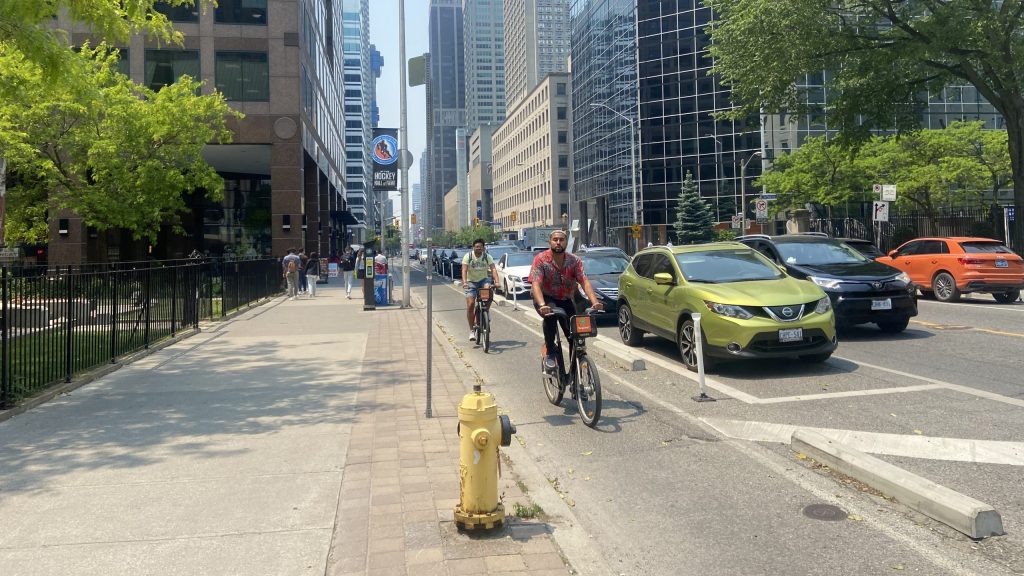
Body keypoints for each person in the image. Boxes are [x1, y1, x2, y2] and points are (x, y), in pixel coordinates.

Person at [529, 230, 604, 369]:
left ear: (566, 242)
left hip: (565, 298)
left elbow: (584, 282)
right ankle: (550, 351)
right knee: (551, 316)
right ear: (550, 242)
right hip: (545, 297)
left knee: (574, 331)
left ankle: (576, 368)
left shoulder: (574, 260)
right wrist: (542, 305)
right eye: (555, 239)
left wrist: (595, 302)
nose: (558, 242)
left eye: (561, 239)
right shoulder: (541, 259)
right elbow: (536, 284)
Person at [461, 238, 500, 341]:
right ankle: (471, 331)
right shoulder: (468, 256)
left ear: (483, 248)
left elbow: (493, 269)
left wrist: (497, 281)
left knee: (488, 291)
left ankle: (486, 310)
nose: (478, 248)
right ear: (473, 247)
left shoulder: (487, 257)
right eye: (476, 247)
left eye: (480, 247)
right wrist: (465, 282)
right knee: (470, 305)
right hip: (471, 282)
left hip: (483, 280)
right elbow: (464, 270)